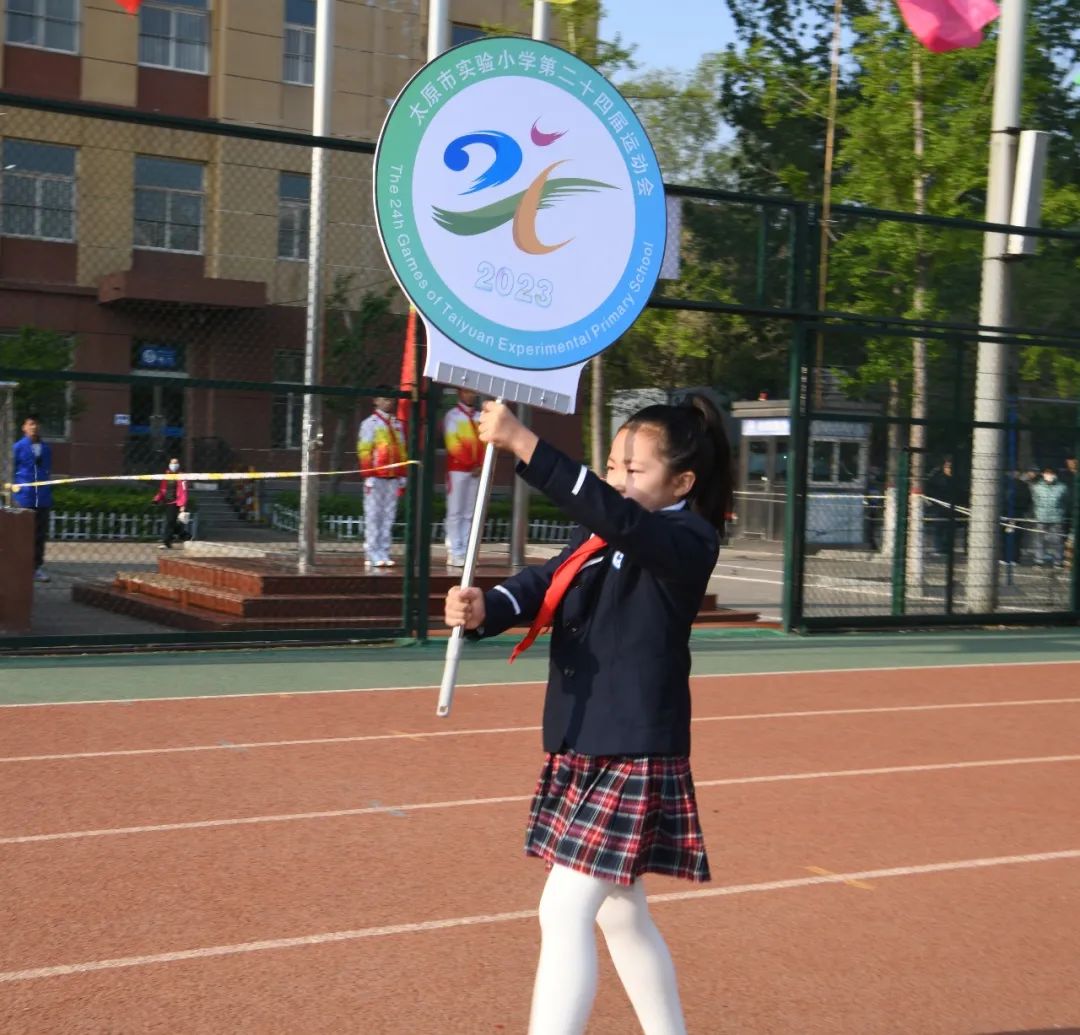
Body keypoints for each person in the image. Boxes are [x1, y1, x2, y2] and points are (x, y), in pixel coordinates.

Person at [445, 395, 732, 1035]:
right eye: (612, 465)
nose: (618, 480)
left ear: (681, 483)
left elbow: (620, 520)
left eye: (635, 469)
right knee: (619, 913)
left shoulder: (687, 539)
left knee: (564, 910)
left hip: (634, 748)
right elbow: (547, 579)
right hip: (584, 739)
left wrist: (525, 444)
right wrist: (487, 606)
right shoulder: (606, 528)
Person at [357, 389, 408, 569]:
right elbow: (364, 450)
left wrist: (402, 474)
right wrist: (368, 474)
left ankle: (384, 551)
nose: (389, 403)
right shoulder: (370, 424)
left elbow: (401, 449)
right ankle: (372, 553)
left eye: (391, 400)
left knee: (388, 516)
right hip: (376, 477)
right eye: (385, 399)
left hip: (393, 477)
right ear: (376, 400)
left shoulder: (397, 424)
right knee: (373, 516)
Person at [442, 387, 482, 568]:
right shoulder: (453, 416)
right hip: (458, 470)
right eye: (467, 392)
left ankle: (466, 551)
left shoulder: (479, 417)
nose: (471, 395)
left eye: (473, 392)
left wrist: (480, 465)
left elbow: (486, 443)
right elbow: (453, 444)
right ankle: (454, 551)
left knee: (469, 513)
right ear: (460, 393)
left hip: (476, 471)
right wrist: (470, 464)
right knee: (455, 511)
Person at [12, 414, 53, 582]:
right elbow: (10, 469)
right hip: (24, 498)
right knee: (22, 535)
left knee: (39, 535)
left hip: (42, 497)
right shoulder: (17, 447)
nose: (34, 427)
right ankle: (18, 567)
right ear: (24, 427)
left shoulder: (46, 448)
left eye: (36, 424)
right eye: (30, 424)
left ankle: (36, 568)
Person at [1030, 465, 1069, 567]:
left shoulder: (1062, 487)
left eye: (1051, 473)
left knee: (1057, 540)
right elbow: (1035, 501)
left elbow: (1065, 501)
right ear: (1043, 474)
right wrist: (1037, 513)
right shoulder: (1037, 487)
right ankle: (1039, 560)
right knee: (1039, 540)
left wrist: (1061, 512)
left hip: (1056, 518)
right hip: (1041, 518)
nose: (1049, 475)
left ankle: (1057, 561)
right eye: (1047, 473)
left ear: (1055, 474)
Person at [153, 458, 190, 550]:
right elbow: (162, 488)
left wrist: (182, 504)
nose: (174, 465)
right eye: (172, 463)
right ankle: (185, 536)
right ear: (169, 464)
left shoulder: (181, 476)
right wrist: (157, 498)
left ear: (178, 465)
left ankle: (166, 542)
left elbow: (183, 491)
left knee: (169, 522)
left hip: (176, 502)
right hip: (167, 501)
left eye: (176, 463)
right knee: (172, 522)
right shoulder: (167, 475)